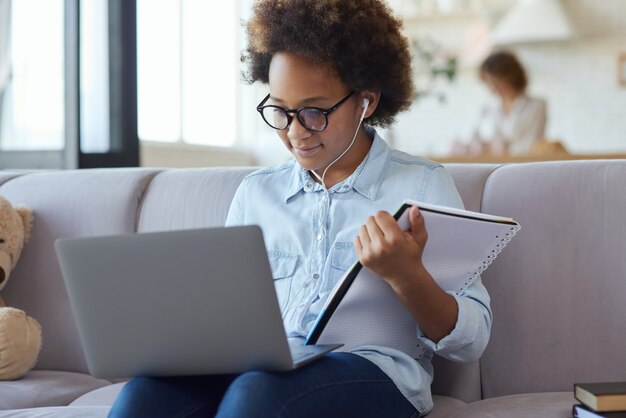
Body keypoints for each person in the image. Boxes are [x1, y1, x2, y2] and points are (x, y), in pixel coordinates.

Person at [108, 0, 492, 417]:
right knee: (144, 395)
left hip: (375, 375)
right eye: (280, 111)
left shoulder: (419, 186)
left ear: (367, 101)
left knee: (258, 395)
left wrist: (407, 275)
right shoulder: (255, 194)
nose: (295, 132)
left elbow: (472, 340)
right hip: (264, 369)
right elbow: (227, 317)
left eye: (313, 112)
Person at [451, 50, 547, 156]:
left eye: (496, 82)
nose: (492, 88)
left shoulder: (536, 105)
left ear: (511, 78)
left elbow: (532, 144)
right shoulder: (487, 107)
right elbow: (474, 136)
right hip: (491, 166)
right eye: (488, 83)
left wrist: (495, 148)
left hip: (522, 166)